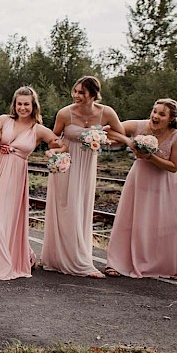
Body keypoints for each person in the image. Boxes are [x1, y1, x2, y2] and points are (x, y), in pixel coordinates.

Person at [0, 86, 61, 280]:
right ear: (14, 104)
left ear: (33, 106)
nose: (22, 108)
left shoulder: (39, 130)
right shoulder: (5, 120)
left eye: (26, 104)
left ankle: (2, 262)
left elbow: (59, 143)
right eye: (19, 104)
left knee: (2, 217)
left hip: (16, 174)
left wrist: (53, 153)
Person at [40, 76, 123, 278]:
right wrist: (55, 152)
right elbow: (53, 139)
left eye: (81, 92)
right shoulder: (65, 113)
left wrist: (101, 139)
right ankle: (61, 258)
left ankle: (80, 257)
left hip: (87, 165)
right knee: (66, 209)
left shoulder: (107, 112)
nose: (76, 96)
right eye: (75, 91)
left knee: (81, 208)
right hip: (66, 163)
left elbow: (119, 136)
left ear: (93, 95)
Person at [104, 99, 177, 280]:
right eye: (154, 111)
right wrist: (127, 141)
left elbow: (174, 166)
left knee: (169, 224)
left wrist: (150, 156)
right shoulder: (140, 125)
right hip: (140, 180)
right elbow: (109, 128)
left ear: (171, 119)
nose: (155, 116)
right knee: (132, 219)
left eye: (161, 114)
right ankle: (118, 263)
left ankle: (163, 264)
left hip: (166, 184)